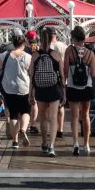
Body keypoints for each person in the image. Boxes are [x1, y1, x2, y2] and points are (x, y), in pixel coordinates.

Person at [62, 25, 95, 156]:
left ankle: (75, 143)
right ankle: (86, 144)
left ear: (74, 38)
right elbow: (93, 73)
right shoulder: (90, 53)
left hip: (72, 86)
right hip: (87, 86)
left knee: (75, 116)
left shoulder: (69, 51)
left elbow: (65, 70)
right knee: (86, 115)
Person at [30, 26, 64, 156]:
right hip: (54, 88)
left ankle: (44, 143)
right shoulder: (56, 55)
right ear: (51, 39)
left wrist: (31, 92)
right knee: (53, 117)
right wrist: (64, 92)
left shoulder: (35, 56)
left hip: (40, 88)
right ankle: (51, 146)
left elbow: (31, 76)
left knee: (42, 116)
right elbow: (61, 75)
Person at [0, 32, 32, 150]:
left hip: (9, 89)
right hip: (24, 88)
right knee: (25, 112)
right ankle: (23, 129)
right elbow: (31, 74)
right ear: (23, 43)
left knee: (13, 115)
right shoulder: (28, 57)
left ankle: (15, 141)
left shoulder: (4, 55)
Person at [47, 26, 68, 141]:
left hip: (47, 78)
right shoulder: (63, 46)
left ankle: (52, 129)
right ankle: (60, 129)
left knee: (50, 106)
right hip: (61, 78)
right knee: (61, 104)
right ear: (56, 35)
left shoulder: (45, 47)